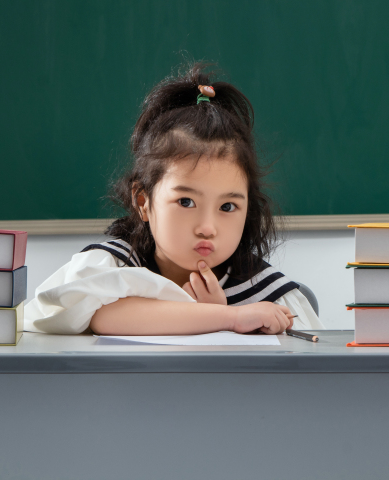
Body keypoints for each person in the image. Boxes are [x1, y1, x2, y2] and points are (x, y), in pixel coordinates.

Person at [24, 62, 324, 336]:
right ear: (143, 201)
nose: (207, 227)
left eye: (228, 207)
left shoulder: (268, 291)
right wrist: (223, 316)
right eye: (186, 202)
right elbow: (103, 315)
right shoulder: (113, 265)